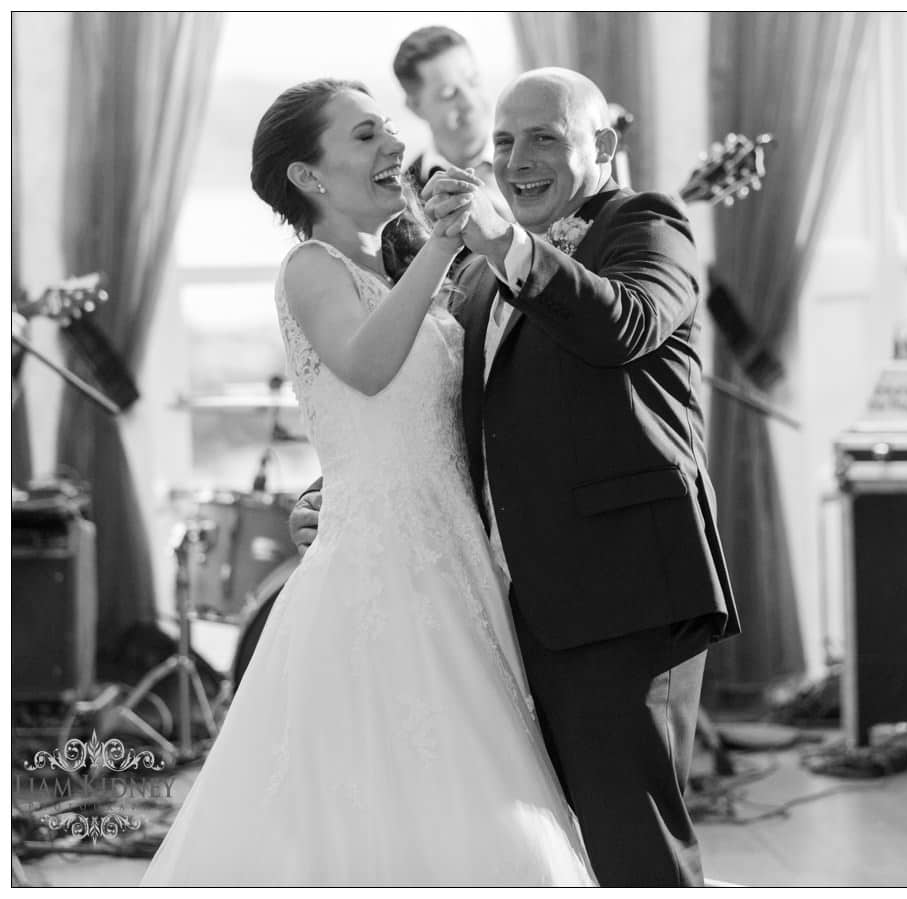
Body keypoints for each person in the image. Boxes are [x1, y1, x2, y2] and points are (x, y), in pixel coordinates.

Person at [141, 78, 595, 886]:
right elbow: (365, 367)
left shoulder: (389, 268)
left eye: (388, 128)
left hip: (458, 555)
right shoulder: (309, 267)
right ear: (311, 177)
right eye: (363, 136)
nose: (393, 145)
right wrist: (444, 244)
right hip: (379, 567)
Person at [292, 66, 739, 886]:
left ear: (601, 146)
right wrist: (341, 493)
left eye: (544, 136)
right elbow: (449, 422)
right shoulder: (469, 278)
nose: (517, 156)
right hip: (505, 602)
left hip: (622, 594)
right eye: (503, 142)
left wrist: (511, 246)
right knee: (544, 846)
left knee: (634, 846)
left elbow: (625, 323)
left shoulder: (647, 224)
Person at [382, 26, 509, 281]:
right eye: (448, 94)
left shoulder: (535, 151)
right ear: (415, 106)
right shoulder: (407, 202)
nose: (470, 101)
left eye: (473, 81)